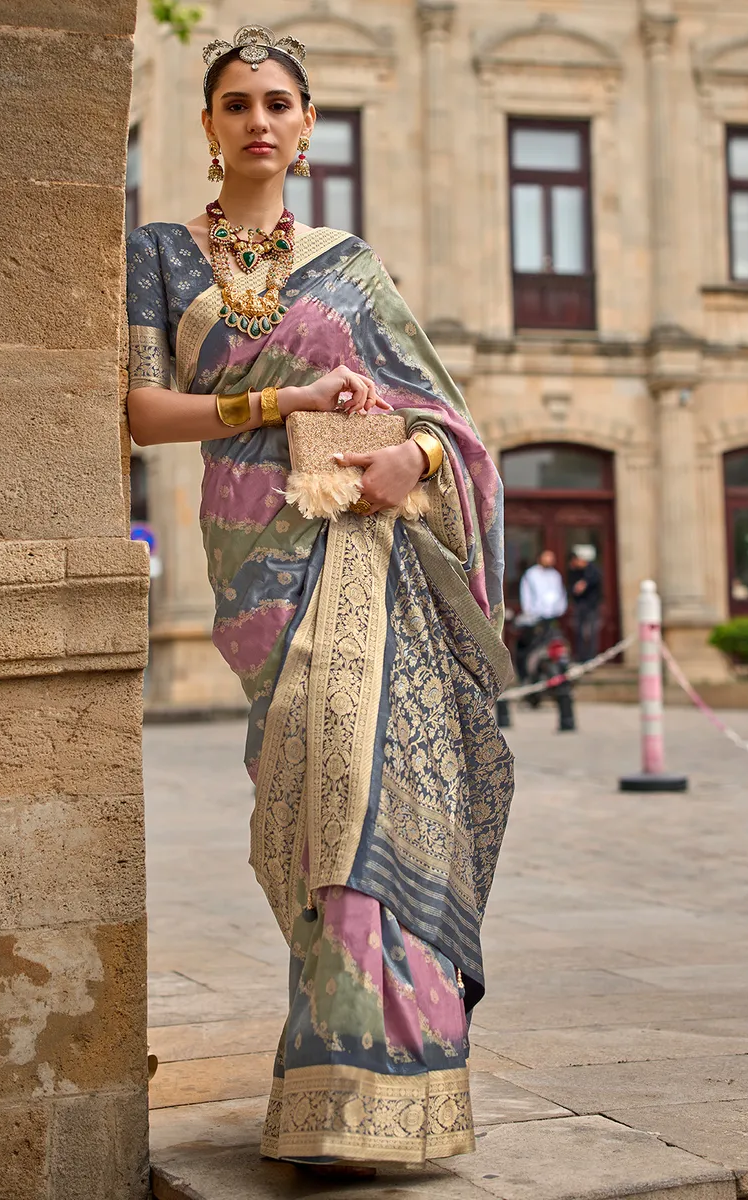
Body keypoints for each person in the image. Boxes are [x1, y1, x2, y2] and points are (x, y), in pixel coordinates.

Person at [125, 26, 514, 1172]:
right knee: (301, 790)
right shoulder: (160, 252)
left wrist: (418, 465)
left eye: (278, 102)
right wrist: (278, 399)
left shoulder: (351, 264)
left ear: (306, 126)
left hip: (360, 547)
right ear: (206, 126)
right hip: (253, 559)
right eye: (236, 101)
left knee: (361, 777)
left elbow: (452, 423)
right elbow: (145, 414)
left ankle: (380, 1086)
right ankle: (337, 1071)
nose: (257, 118)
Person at [515, 549, 567, 681]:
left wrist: (559, 609)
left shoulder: (555, 575)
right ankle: (526, 676)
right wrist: (530, 612)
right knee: (531, 645)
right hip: (535, 618)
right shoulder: (531, 574)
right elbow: (527, 595)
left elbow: (560, 594)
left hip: (552, 617)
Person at [568, 546, 603, 663]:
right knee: (579, 632)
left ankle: (590, 657)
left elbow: (593, 582)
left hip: (591, 607)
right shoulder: (575, 572)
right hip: (580, 606)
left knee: (590, 633)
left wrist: (584, 584)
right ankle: (581, 656)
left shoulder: (592, 571)